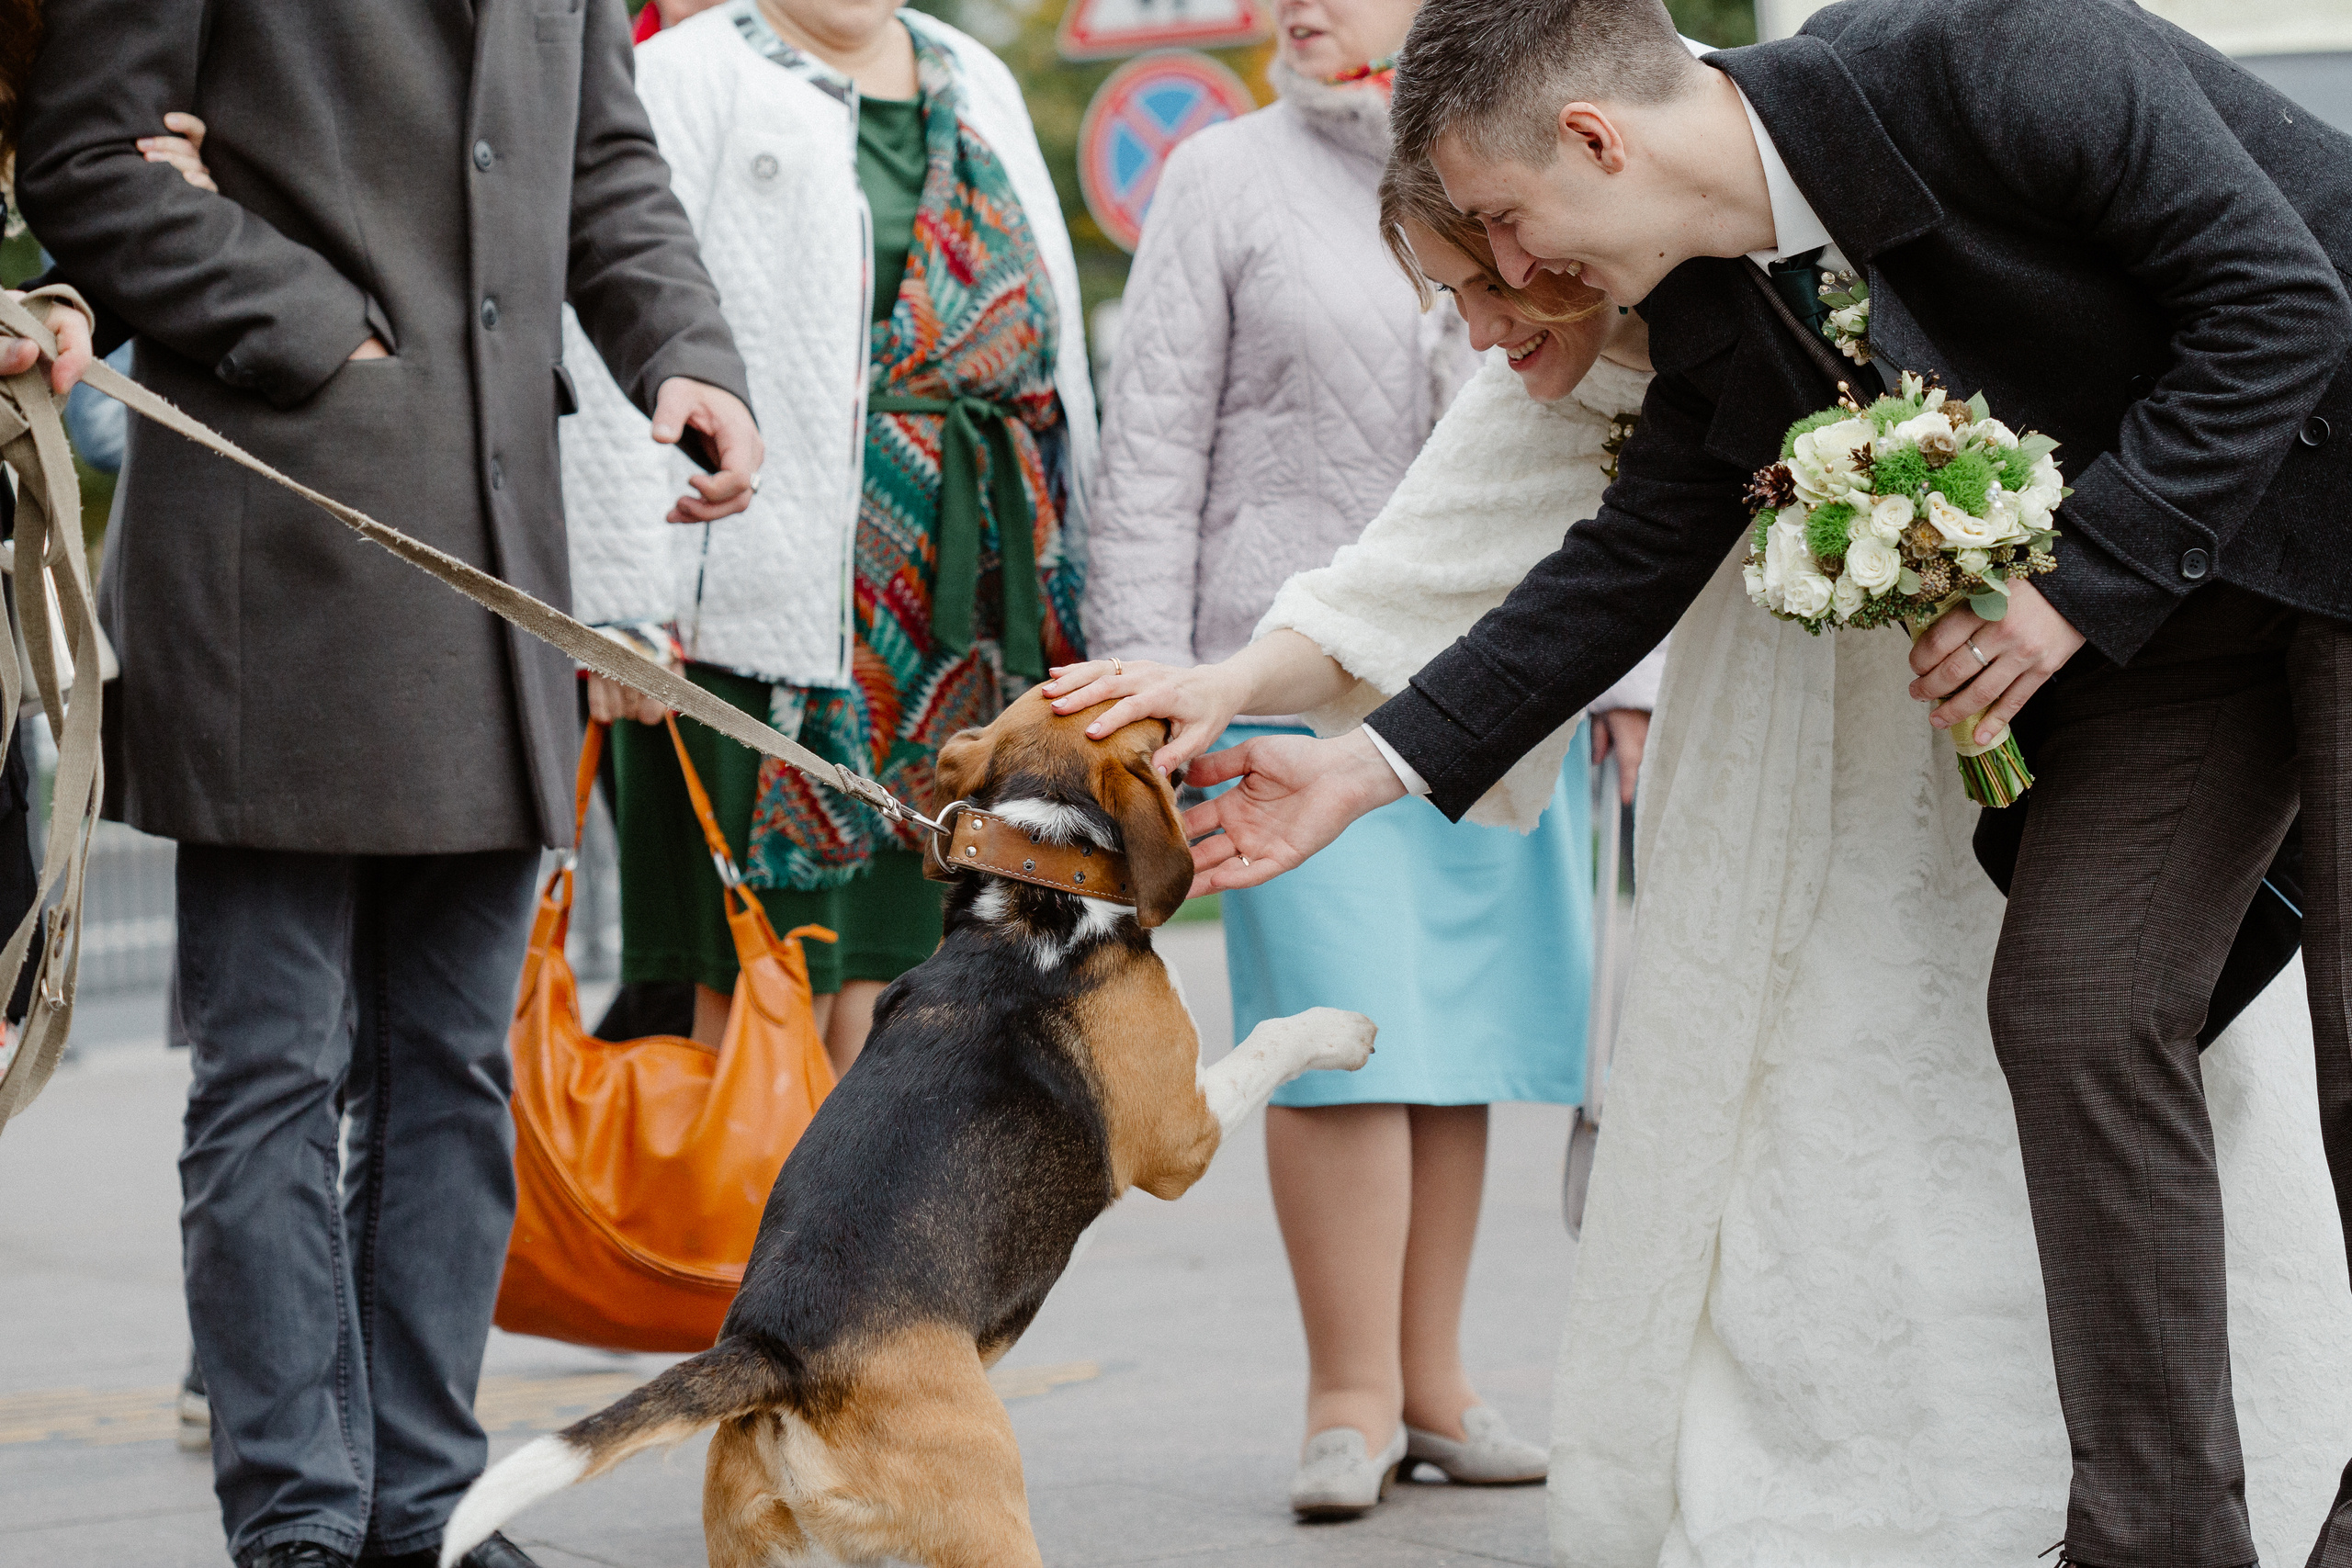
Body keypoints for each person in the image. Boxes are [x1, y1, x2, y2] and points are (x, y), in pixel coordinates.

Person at [1180, 0, 2352, 1563]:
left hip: (2327, 500)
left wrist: (2072, 591)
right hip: (2185, 624)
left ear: (1597, 139)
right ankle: (2158, 1540)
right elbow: (1627, 559)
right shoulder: (1726, 302)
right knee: (2076, 1004)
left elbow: (2286, 302)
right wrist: (1366, 768)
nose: (1508, 279)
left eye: (1510, 228)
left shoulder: (2000, 53)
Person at [13, 1, 763, 1563]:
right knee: (272, 1070)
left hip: (491, 561)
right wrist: (317, 332)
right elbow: (84, 159)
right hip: (271, 542)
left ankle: (423, 1504)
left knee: (455, 1070)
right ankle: (299, 1513)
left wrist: (684, 350)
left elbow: (606, 164)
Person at [1081, 5, 1655, 1517]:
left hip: (1503, 676)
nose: (1299, 8)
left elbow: (1627, 448)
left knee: (1454, 1030)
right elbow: (1148, 448)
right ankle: (1343, 1397)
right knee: (1337, 1035)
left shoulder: (1526, 161)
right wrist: (1155, 697)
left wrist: (1631, 675)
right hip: (1272, 679)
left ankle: (1434, 1381)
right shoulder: (1219, 174)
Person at [560, 0, 1093, 1069]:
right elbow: (596, 314)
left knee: (906, 981)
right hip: (752, 606)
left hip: (958, 622)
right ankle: (741, 1238)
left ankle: (866, 1234)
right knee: (758, 989)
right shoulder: (685, 75)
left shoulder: (973, 75)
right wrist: (613, 602)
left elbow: (1061, 352)